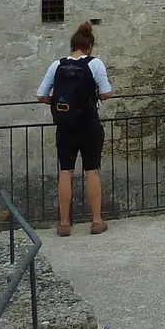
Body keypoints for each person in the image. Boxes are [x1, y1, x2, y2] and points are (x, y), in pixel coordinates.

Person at [36, 21, 115, 236]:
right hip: (88, 123)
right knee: (92, 171)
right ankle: (96, 221)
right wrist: (93, 96)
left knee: (65, 171)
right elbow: (107, 93)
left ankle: (64, 224)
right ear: (90, 46)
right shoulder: (95, 63)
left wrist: (59, 103)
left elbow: (41, 95)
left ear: (72, 46)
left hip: (65, 126)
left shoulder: (57, 65)